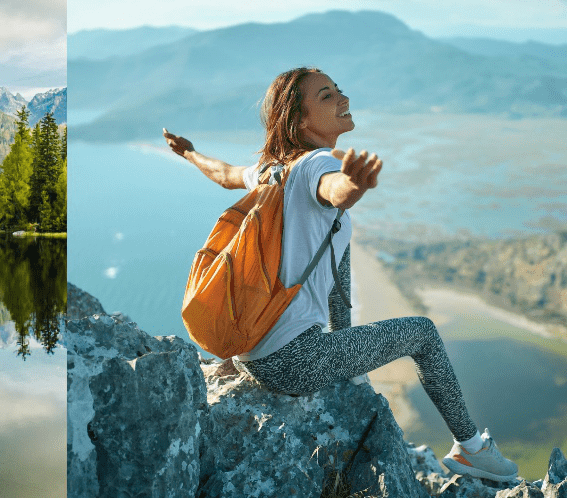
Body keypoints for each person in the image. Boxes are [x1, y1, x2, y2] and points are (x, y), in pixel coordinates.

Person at [162, 67, 518, 483]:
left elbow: (224, 174)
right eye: (327, 96)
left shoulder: (272, 169)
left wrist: (188, 152)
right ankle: (472, 449)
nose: (342, 99)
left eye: (338, 90)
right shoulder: (317, 162)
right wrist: (352, 186)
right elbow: (332, 188)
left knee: (337, 241)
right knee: (422, 333)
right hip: (292, 360)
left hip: (254, 350)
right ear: (301, 121)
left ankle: (348, 363)